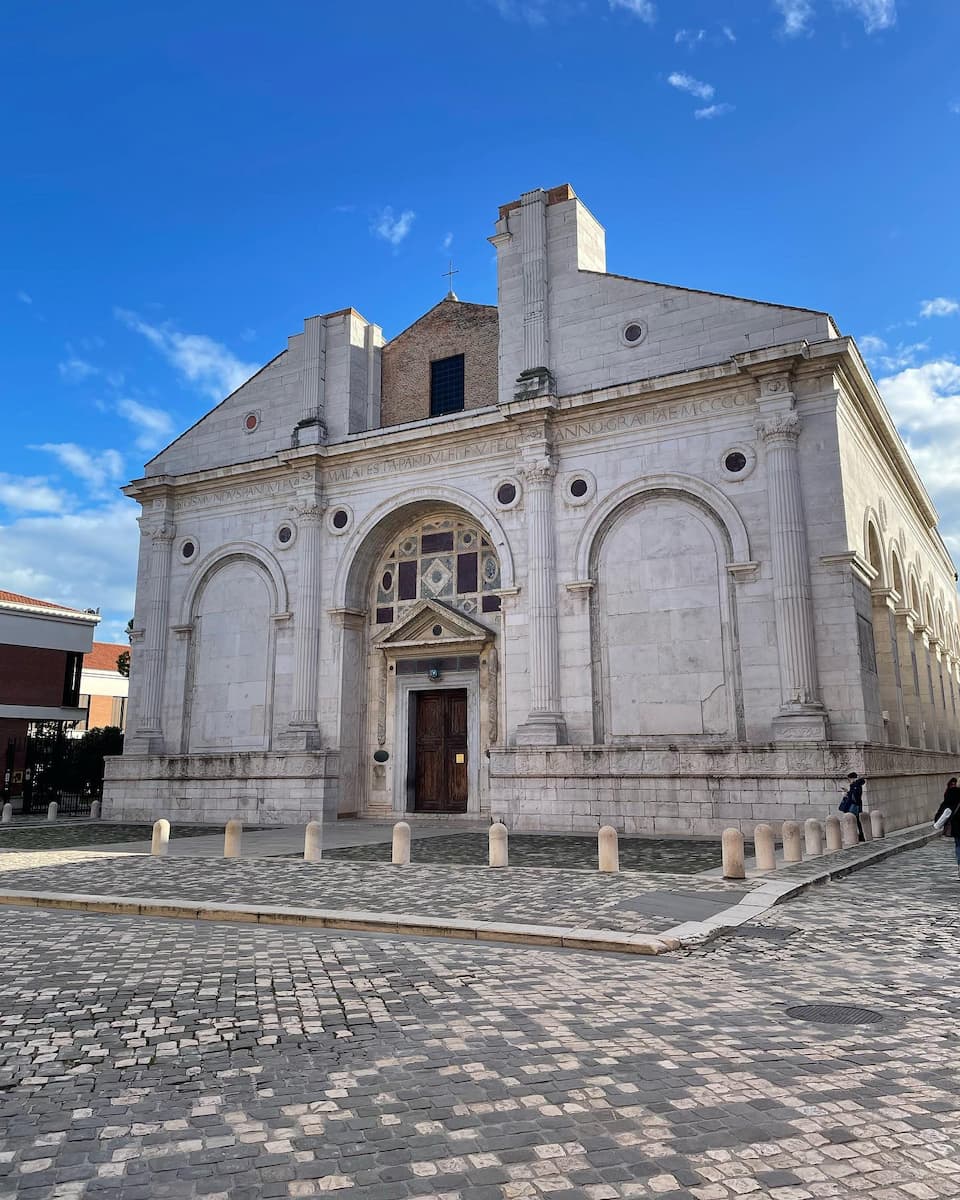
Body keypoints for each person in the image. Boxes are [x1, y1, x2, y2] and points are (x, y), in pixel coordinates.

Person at [934, 777, 960, 880]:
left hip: (957, 825)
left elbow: (944, 807)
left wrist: (937, 819)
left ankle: (959, 868)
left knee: (958, 845)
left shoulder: (950, 793)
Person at [840, 771, 866, 842]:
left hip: (854, 805)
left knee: (851, 819)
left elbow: (854, 797)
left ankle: (854, 836)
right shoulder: (857, 785)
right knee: (857, 820)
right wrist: (848, 792)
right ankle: (860, 836)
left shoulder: (855, 785)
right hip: (857, 805)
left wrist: (846, 795)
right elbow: (855, 795)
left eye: (849, 779)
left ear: (852, 778)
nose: (849, 781)